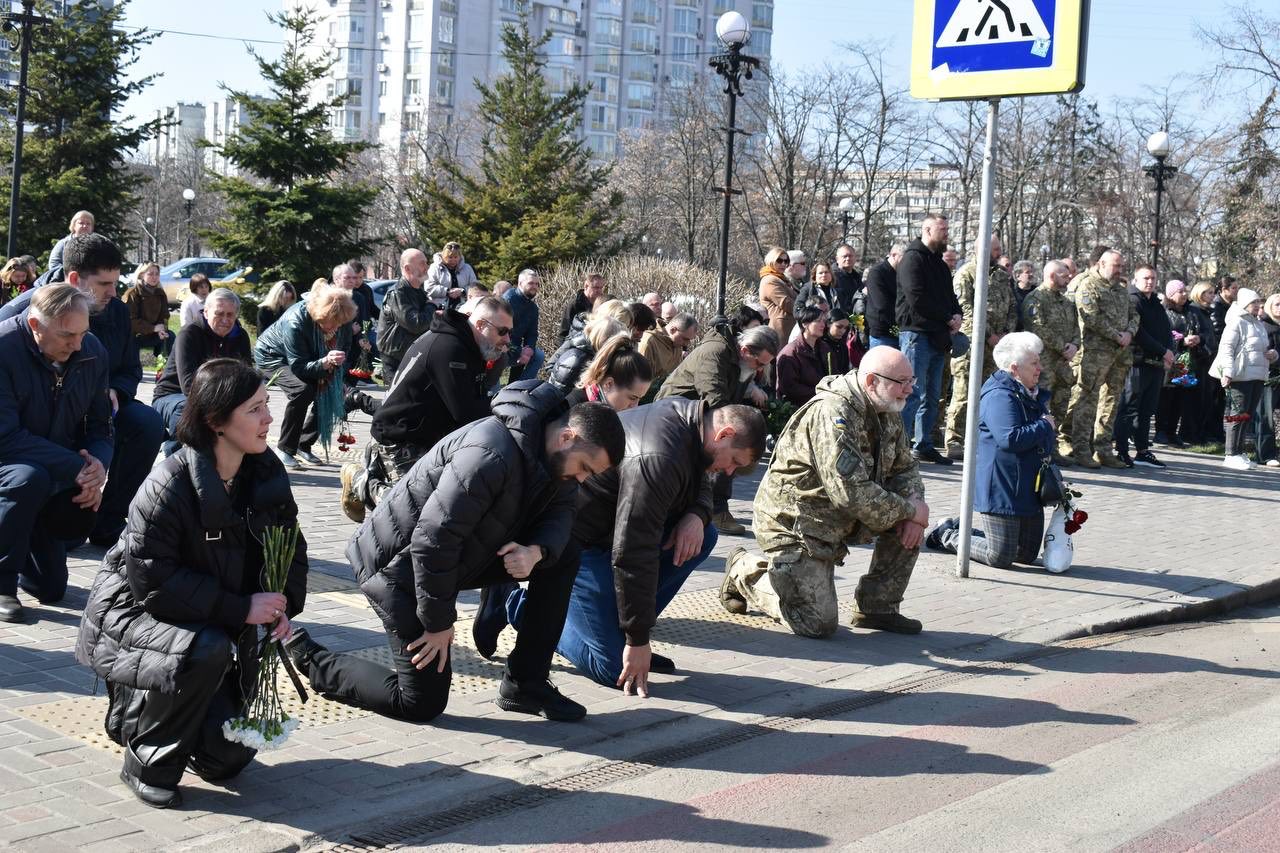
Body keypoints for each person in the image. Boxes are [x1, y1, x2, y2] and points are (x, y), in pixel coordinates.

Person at [285, 385, 625, 723]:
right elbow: (432, 541)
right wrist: (438, 623)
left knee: (563, 554)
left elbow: (561, 514)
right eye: (584, 467)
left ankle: (526, 684)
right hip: (394, 569)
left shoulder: (555, 460)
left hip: (452, 555)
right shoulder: (490, 454)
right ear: (567, 437)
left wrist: (536, 551)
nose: (581, 479)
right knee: (420, 702)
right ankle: (311, 658)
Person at [76, 359, 308, 809]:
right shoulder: (170, 483)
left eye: (267, 405)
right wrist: (241, 610)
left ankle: (175, 713)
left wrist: (281, 606)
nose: (269, 418)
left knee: (228, 760)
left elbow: (290, 547)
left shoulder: (264, 471)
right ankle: (145, 758)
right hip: (139, 611)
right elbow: (154, 580)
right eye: (255, 409)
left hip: (210, 614)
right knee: (205, 650)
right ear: (216, 422)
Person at [493, 400, 765, 696]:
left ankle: (619, 636)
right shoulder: (657, 454)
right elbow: (635, 551)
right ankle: (523, 609)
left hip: (611, 539)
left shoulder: (694, 422)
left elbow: (698, 475)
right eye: (735, 461)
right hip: (579, 545)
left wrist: (697, 514)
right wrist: (638, 641)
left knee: (705, 536)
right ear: (723, 434)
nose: (728, 472)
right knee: (613, 671)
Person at [721, 346, 929, 637]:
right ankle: (745, 570)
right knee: (816, 621)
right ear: (871, 381)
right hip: (797, 524)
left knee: (911, 524)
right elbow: (850, 492)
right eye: (901, 382)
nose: (908, 390)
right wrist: (910, 509)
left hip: (840, 518)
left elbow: (905, 467)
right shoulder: (834, 414)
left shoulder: (886, 407)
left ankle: (878, 607)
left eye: (911, 381)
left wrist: (915, 506)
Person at [340, 296, 512, 521]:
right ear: (480, 325)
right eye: (502, 331)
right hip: (400, 437)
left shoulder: (468, 346)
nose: (507, 339)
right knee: (408, 514)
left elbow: (473, 402)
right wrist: (506, 416)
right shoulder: (450, 348)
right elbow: (466, 413)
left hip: (429, 438)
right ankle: (359, 479)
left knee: (433, 510)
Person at [0, 285, 112, 623]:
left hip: (53, 469)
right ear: (35, 325)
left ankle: (17, 538)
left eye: (83, 333)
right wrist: (75, 465)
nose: (77, 345)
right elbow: (5, 436)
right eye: (67, 335)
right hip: (11, 463)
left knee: (51, 589)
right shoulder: (4, 348)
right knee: (28, 477)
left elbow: (102, 426)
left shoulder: (91, 351)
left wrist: (96, 466)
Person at [49, 235, 165, 546]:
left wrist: (117, 390)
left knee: (148, 423)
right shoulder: (40, 313)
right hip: (57, 415)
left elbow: (130, 368)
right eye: (104, 284)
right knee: (67, 536)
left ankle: (110, 519)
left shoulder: (115, 311)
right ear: (74, 279)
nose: (114, 293)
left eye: (116, 282)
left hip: (106, 405)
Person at [925, 333, 1057, 570]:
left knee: (1025, 554)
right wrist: (1045, 425)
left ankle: (961, 527)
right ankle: (948, 535)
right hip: (1002, 487)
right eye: (1034, 363)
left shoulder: (1030, 392)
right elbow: (1010, 439)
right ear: (1015, 369)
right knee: (1000, 556)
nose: (1040, 368)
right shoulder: (999, 395)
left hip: (1028, 487)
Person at [657, 322, 778, 535]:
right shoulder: (715, 352)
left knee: (733, 452)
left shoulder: (742, 361)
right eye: (759, 363)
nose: (759, 369)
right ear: (745, 350)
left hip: (698, 414)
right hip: (674, 414)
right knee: (728, 446)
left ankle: (711, 507)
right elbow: (714, 398)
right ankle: (715, 509)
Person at [253, 285, 360, 468]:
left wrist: (336, 363)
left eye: (340, 324)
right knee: (303, 390)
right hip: (273, 356)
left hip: (312, 357)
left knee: (328, 389)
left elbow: (346, 345)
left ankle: (304, 444)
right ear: (320, 315)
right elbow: (299, 366)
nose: (336, 327)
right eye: (332, 323)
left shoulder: (342, 317)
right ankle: (285, 448)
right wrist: (324, 363)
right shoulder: (295, 321)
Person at [153, 289, 253, 456]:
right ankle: (175, 462)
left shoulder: (240, 336)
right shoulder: (189, 333)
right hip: (172, 395)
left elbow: (246, 377)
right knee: (187, 408)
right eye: (219, 314)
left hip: (217, 397)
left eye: (230, 315)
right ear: (206, 312)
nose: (225, 320)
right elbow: (188, 385)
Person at [896, 214, 963, 465]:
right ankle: (899, 446)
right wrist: (947, 318)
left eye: (946, 228)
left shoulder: (939, 263)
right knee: (910, 392)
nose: (946, 233)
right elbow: (917, 298)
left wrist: (957, 315)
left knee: (932, 395)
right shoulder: (912, 259)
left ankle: (923, 445)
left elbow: (950, 295)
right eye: (942, 229)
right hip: (917, 334)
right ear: (926, 229)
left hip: (938, 336)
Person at [944, 237, 1017, 460]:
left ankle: (981, 437)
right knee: (964, 393)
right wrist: (988, 334)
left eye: (999, 249)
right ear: (982, 249)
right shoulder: (966, 274)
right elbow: (965, 307)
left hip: (997, 347)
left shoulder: (1002, 277)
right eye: (995, 249)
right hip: (973, 344)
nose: (999, 253)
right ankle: (955, 439)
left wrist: (1005, 333)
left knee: (990, 394)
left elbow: (1012, 306)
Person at [1064, 249, 1136, 470]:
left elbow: (1135, 313)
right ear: (1101, 264)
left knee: (1111, 402)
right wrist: (1117, 335)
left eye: (1121, 266)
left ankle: (1103, 448)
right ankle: (1080, 448)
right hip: (1094, 354)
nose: (1120, 270)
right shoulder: (1088, 285)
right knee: (1087, 401)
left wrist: (1130, 333)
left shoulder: (1121, 290)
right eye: (1116, 266)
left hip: (1119, 355)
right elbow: (1091, 317)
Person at [1211, 288, 1278, 470]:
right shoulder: (1236, 322)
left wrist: (1273, 354)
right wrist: (1227, 372)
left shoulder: (1257, 323)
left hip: (1257, 375)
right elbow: (1227, 348)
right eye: (1254, 302)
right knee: (1237, 415)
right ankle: (1230, 454)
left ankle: (1239, 452)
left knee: (1246, 415)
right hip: (1240, 376)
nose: (1258, 306)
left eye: (1258, 302)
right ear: (1245, 304)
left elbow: (1261, 349)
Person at [1114, 265, 1174, 468]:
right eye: (1146, 278)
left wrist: (1169, 352)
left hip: (1155, 363)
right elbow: (1138, 332)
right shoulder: (1133, 300)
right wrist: (1162, 351)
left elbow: (1166, 329)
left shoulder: (1155, 302)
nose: (1150, 281)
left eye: (1153, 278)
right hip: (1137, 362)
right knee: (1129, 408)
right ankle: (1121, 450)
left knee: (1147, 410)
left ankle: (1142, 451)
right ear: (1135, 279)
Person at [1021, 260, 1079, 465]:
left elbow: (1076, 328)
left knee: (1060, 405)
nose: (1069, 278)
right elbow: (1038, 327)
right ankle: (1038, 448)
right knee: (1041, 406)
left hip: (1063, 365)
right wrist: (1063, 346)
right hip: (1043, 364)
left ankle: (1052, 447)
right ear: (1052, 276)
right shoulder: (1035, 299)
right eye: (1064, 275)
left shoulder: (1066, 302)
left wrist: (1074, 345)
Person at [1156, 280, 1214, 448]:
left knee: (1181, 398)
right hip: (1170, 360)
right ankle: (1161, 431)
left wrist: (1199, 339)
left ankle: (1172, 432)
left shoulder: (1193, 311)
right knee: (1166, 396)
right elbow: (1163, 334)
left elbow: (1205, 331)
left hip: (1189, 361)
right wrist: (1181, 342)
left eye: (1184, 290)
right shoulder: (1164, 311)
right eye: (1180, 291)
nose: (1184, 294)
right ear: (1170, 294)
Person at [547, 300, 631, 393]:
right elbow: (553, 367)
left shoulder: (593, 345)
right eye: (622, 326)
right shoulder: (580, 346)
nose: (624, 332)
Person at [377, 248, 433, 380]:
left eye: (426, 262)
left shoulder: (420, 292)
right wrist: (432, 306)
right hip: (395, 360)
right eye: (422, 263)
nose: (427, 267)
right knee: (396, 400)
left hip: (412, 357)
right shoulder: (398, 293)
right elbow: (415, 324)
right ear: (407, 268)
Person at [564, 335, 653, 411]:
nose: (635, 406)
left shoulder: (605, 411)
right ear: (608, 384)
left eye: (639, 399)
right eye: (633, 398)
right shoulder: (571, 410)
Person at [776, 305, 831, 407]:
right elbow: (789, 388)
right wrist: (819, 392)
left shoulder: (824, 348)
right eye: (818, 321)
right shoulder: (790, 353)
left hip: (823, 401)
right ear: (805, 324)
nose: (823, 325)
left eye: (824, 321)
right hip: (799, 406)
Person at [639, 311, 699, 395]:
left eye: (689, 340)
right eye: (685, 339)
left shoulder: (677, 344)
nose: (686, 344)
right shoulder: (649, 342)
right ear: (673, 330)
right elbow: (638, 379)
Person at [122, 262, 173, 358]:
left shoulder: (160, 293)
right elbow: (130, 321)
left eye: (157, 274)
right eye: (150, 274)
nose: (154, 277)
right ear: (142, 275)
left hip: (154, 334)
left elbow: (165, 316)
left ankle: (165, 368)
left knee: (170, 336)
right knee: (132, 342)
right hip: (135, 335)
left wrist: (161, 329)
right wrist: (152, 328)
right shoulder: (132, 294)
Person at [503, 269, 544, 383]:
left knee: (538, 355)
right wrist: (519, 351)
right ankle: (491, 390)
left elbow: (532, 333)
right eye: (531, 283)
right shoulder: (508, 300)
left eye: (537, 284)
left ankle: (518, 386)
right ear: (520, 283)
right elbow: (501, 333)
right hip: (501, 345)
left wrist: (529, 349)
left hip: (516, 347)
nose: (534, 286)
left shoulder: (533, 308)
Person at [864, 243, 905, 349]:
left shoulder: (902, 274)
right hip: (882, 333)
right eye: (904, 258)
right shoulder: (877, 273)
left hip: (900, 332)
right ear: (894, 255)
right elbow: (882, 305)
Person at [42, 210, 95, 284]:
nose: (85, 226)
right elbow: (54, 264)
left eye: (88, 224)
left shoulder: (95, 245)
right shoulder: (63, 244)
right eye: (81, 223)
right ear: (74, 226)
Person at [758, 247, 798, 343]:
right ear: (771, 261)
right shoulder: (770, 280)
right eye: (779, 261)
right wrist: (805, 310)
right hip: (780, 330)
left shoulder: (782, 279)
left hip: (789, 327)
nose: (783, 264)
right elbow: (785, 303)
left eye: (786, 261)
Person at [426, 241, 477, 312]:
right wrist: (447, 291)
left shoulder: (467, 268)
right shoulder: (434, 267)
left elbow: (475, 287)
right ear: (444, 256)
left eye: (456, 257)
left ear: (460, 256)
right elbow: (428, 288)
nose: (453, 260)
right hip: (440, 308)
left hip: (464, 307)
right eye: (450, 257)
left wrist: (462, 291)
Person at [1260, 294, 1280, 467]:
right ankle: (1266, 454)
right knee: (1266, 416)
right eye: (1277, 304)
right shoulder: (1264, 327)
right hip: (1270, 377)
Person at [558, 272, 605, 343]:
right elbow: (563, 333)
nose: (600, 291)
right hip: (576, 346)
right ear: (586, 286)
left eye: (601, 288)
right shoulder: (574, 305)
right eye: (596, 287)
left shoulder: (603, 305)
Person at [823, 309, 852, 376]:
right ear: (828, 324)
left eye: (845, 328)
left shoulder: (842, 343)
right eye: (839, 327)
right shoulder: (821, 344)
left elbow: (845, 369)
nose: (842, 331)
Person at [1011, 260, 1037, 330]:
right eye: (1027, 272)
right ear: (1018, 275)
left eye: (1032, 272)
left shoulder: (1037, 292)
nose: (1031, 274)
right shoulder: (1011, 292)